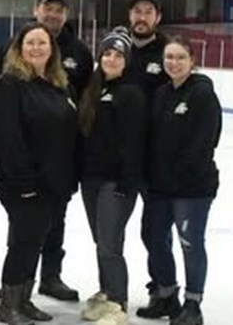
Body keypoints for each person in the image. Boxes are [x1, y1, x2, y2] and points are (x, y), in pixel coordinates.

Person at [0, 0, 91, 302]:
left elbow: (84, 105)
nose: (53, 14)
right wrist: (12, 172)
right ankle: (15, 293)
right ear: (37, 10)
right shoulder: (11, 71)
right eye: (48, 8)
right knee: (24, 231)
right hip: (26, 172)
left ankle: (46, 280)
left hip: (56, 171)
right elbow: (6, 127)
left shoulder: (73, 60)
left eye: (59, 9)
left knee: (50, 228)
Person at [0, 22, 78, 325]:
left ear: (52, 49)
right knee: (25, 241)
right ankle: (8, 305)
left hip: (53, 182)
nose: (36, 48)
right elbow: (8, 138)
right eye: (30, 43)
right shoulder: (10, 84)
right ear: (19, 49)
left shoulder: (58, 84)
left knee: (35, 241)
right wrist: (23, 181)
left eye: (42, 43)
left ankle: (24, 301)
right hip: (24, 182)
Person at [142, 37, 222, 325]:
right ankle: (166, 294)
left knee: (190, 242)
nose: (173, 63)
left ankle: (193, 303)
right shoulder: (162, 94)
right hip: (160, 187)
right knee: (154, 238)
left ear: (192, 61)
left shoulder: (202, 95)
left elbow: (204, 143)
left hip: (192, 189)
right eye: (169, 58)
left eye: (180, 58)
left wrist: (179, 175)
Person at [76, 29, 147, 325]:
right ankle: (107, 293)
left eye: (118, 55)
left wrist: (126, 184)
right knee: (101, 241)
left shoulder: (131, 93)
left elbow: (135, 143)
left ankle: (119, 302)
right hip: (90, 180)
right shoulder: (93, 89)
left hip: (114, 183)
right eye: (107, 53)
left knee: (110, 244)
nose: (112, 59)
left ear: (126, 60)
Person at [121, 0, 173, 318]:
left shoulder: (169, 52)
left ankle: (164, 291)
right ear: (130, 17)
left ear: (158, 18)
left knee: (155, 230)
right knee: (111, 233)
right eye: (137, 11)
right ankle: (113, 289)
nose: (142, 16)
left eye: (148, 11)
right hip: (123, 159)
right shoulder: (118, 49)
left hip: (156, 163)